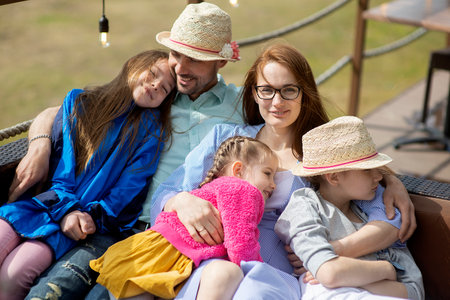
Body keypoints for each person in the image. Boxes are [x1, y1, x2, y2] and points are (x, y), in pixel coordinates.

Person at [10, 2, 414, 298]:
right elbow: (79, 104)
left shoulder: (246, 116)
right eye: (176, 56)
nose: (180, 68)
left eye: (196, 59)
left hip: (242, 260)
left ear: (221, 63)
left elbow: (352, 162)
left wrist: (388, 177)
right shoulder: (161, 93)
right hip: (146, 230)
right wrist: (41, 140)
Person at [149, 43, 416, 299]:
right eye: (266, 90)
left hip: (279, 274)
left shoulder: (322, 151)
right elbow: (168, 192)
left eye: (289, 90)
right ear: (254, 93)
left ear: (304, 93)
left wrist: (391, 182)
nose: (277, 101)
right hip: (213, 262)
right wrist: (182, 201)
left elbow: (387, 218)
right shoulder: (229, 139)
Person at [0, 49, 175, 299]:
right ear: (132, 66)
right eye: (153, 73)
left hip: (76, 224)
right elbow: (63, 166)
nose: (156, 85)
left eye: (166, 89)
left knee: (14, 275)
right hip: (44, 204)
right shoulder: (80, 102)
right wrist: (66, 209)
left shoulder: (151, 133)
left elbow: (128, 190)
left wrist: (86, 217)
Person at [89, 136, 278, 300]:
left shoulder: (215, 187)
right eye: (267, 174)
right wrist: (259, 273)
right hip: (164, 254)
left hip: (146, 251)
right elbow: (240, 242)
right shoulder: (244, 190)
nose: (273, 185)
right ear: (238, 170)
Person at [275, 116, 424, 300]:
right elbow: (329, 273)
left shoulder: (373, 202)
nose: (379, 176)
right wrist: (385, 269)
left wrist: (350, 274)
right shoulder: (305, 206)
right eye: (367, 170)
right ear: (334, 177)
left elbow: (413, 291)